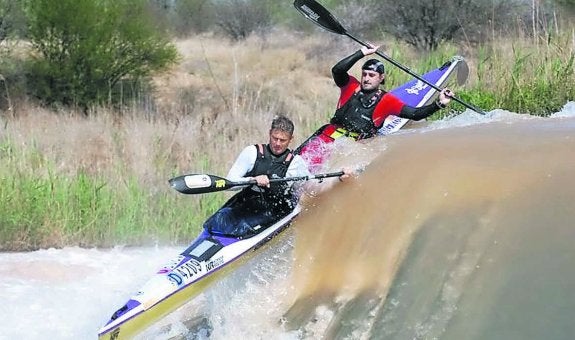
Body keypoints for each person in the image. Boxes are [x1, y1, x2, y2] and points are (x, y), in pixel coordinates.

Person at [296, 44, 454, 171]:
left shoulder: (387, 100)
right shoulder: (350, 86)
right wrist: (362, 53)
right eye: (364, 74)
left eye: (371, 75)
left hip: (351, 147)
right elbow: (337, 70)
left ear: (381, 78)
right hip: (327, 138)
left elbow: (415, 114)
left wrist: (438, 103)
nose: (366, 78)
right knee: (300, 167)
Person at [203, 115, 349, 238]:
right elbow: (231, 184)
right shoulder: (252, 152)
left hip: (273, 211)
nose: (277, 144)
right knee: (217, 221)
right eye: (275, 138)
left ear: (291, 139)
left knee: (243, 228)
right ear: (269, 134)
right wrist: (252, 180)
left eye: (283, 140)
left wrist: (338, 179)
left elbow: (312, 187)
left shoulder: (295, 163)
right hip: (245, 204)